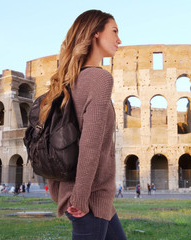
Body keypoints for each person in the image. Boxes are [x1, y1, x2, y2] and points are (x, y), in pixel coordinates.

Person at [45, 9, 126, 239]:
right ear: (96, 34)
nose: (119, 39)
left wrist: (60, 189)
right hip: (88, 199)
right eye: (114, 31)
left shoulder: (68, 81)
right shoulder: (100, 79)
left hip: (93, 199)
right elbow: (90, 144)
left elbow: (53, 139)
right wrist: (79, 197)